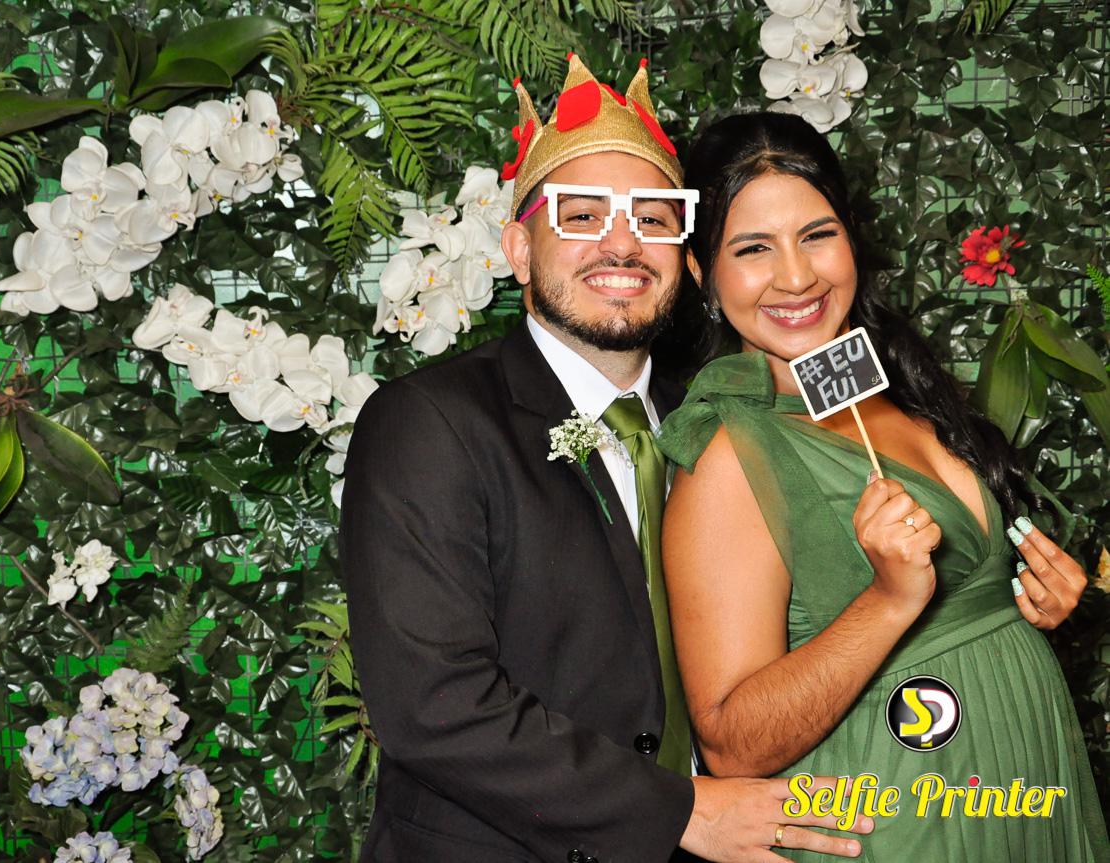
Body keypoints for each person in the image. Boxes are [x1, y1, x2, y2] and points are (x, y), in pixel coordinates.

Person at [340, 55, 875, 863]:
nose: (622, 243)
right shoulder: (430, 423)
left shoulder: (716, 420)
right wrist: (680, 811)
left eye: (653, 217)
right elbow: (433, 704)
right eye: (582, 215)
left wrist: (993, 591)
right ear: (520, 250)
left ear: (685, 254)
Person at [656, 110, 1109, 861]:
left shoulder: (898, 390)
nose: (796, 276)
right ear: (703, 273)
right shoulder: (729, 453)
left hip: (1025, 782)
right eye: (754, 248)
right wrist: (889, 598)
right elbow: (731, 742)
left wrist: (1033, 600)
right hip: (904, 818)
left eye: (817, 235)